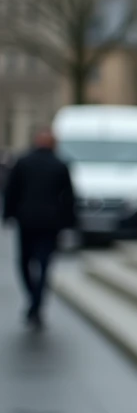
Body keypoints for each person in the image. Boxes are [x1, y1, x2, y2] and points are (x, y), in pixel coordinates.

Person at [2, 128, 77, 329]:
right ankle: (37, 301)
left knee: (25, 262)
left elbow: (11, 190)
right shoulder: (60, 165)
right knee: (44, 263)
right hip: (50, 223)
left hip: (26, 220)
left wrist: (8, 215)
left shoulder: (24, 162)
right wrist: (69, 223)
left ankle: (33, 299)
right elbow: (69, 198)